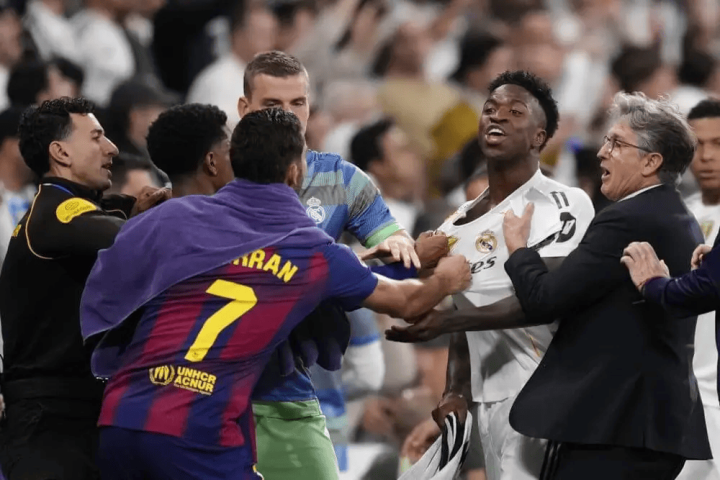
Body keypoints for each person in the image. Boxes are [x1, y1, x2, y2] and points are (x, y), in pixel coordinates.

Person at [80, 108, 472, 480]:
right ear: (294, 171)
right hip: (197, 428)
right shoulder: (313, 251)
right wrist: (446, 279)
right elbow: (406, 302)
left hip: (121, 416)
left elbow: (112, 275)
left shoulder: (174, 216)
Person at [392, 71, 595, 480]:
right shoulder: (456, 224)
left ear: (539, 137)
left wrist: (447, 321)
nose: (497, 117)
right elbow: (465, 310)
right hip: (490, 403)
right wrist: (454, 390)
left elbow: (547, 296)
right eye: (490, 109)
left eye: (515, 112)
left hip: (550, 392)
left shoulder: (562, 203)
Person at [494, 92, 708, 479]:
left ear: (651, 162)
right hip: (647, 426)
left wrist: (518, 249)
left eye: (616, 143)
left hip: (614, 426)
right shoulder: (678, 215)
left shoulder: (627, 218)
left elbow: (544, 300)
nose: (601, 153)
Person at [237, 50, 420, 479]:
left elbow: (397, 247)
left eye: (298, 103)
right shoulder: (217, 173)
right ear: (244, 108)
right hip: (222, 390)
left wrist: (392, 248)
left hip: (312, 396)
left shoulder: (343, 179)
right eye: (272, 105)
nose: (288, 116)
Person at [0, 97, 169, 480]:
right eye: (96, 137)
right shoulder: (57, 211)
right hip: (50, 427)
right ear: (60, 152)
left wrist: (139, 210)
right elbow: (131, 238)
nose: (111, 148)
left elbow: (110, 218)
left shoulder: (69, 209)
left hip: (74, 415)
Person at [146, 103, 234, 197]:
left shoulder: (150, 206)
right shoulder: (235, 205)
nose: (238, 156)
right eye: (229, 149)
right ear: (211, 162)